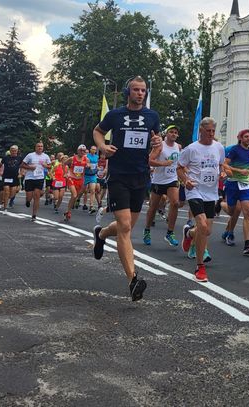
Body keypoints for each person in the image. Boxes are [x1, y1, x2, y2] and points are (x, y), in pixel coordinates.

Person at [92, 76, 162, 301]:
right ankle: (133, 279)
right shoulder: (115, 115)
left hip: (140, 177)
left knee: (127, 227)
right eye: (136, 90)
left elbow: (156, 142)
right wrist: (103, 146)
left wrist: (156, 148)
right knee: (124, 226)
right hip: (119, 176)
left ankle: (101, 234)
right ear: (128, 92)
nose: (140, 93)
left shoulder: (152, 117)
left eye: (143, 90)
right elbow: (97, 131)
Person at [177, 117, 225, 282]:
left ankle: (189, 233)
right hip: (194, 190)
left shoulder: (219, 147)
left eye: (213, 131)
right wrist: (185, 181)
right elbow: (179, 168)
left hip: (211, 193)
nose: (211, 134)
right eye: (208, 131)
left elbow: (221, 166)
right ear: (201, 131)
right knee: (203, 226)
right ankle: (200, 267)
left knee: (207, 231)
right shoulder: (191, 149)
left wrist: (223, 173)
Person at [143, 124, 181, 247]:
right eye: (171, 132)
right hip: (158, 181)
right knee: (153, 207)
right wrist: (164, 163)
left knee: (175, 203)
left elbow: (179, 163)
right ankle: (147, 230)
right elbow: (149, 160)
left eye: (175, 132)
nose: (174, 134)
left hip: (172, 179)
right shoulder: (160, 146)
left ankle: (170, 233)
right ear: (166, 133)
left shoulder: (178, 147)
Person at [224, 129, 249, 254]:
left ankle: (247, 243)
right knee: (232, 211)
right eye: (246, 137)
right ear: (240, 138)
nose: (248, 139)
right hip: (233, 183)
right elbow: (225, 164)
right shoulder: (234, 150)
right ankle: (222, 207)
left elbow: (248, 166)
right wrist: (239, 171)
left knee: (247, 212)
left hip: (245, 184)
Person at [20, 142, 52, 221]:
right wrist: (29, 167)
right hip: (29, 178)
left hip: (39, 178)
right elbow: (22, 165)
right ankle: (28, 201)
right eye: (38, 146)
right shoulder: (30, 155)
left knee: (37, 196)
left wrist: (46, 166)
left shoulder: (46, 156)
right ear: (35, 147)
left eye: (41, 146)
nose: (40, 147)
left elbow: (50, 166)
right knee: (29, 196)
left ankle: (34, 215)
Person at [63, 145, 88, 221]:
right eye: (81, 150)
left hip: (80, 180)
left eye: (84, 151)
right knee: (74, 195)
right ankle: (69, 211)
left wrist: (88, 166)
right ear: (78, 150)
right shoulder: (72, 158)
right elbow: (64, 164)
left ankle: (68, 211)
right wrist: (66, 173)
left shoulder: (86, 159)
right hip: (71, 178)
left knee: (75, 196)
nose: (82, 152)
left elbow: (88, 165)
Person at [0, 145, 22, 212]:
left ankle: (5, 199)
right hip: (6, 177)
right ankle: (5, 207)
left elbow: (23, 166)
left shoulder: (20, 158)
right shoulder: (5, 158)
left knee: (12, 194)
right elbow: (0, 164)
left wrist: (21, 173)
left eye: (15, 150)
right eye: (12, 150)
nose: (13, 151)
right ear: (10, 151)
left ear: (17, 151)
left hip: (15, 177)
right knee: (6, 191)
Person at [84, 145, 99, 214]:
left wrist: (97, 168)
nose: (93, 150)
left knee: (93, 190)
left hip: (93, 175)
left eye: (95, 149)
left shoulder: (97, 157)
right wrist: (87, 165)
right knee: (83, 191)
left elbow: (96, 165)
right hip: (86, 175)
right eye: (92, 149)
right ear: (90, 150)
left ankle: (91, 206)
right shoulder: (87, 156)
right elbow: (85, 163)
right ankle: (77, 200)